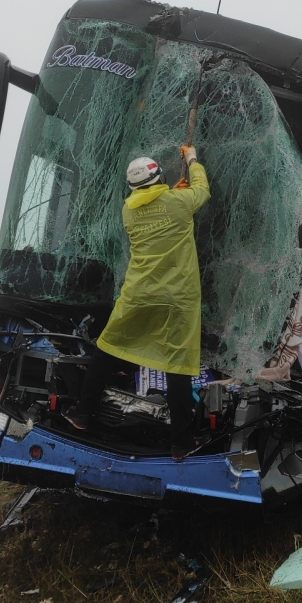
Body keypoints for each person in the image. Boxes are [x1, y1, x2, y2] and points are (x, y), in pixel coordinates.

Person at [65, 146, 210, 460]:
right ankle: (181, 444)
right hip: (177, 300)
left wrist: (171, 194)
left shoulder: (128, 210)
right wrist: (192, 160)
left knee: (108, 346)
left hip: (138, 295)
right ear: (160, 178)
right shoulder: (179, 203)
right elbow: (202, 191)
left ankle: (82, 412)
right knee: (177, 366)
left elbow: (154, 206)